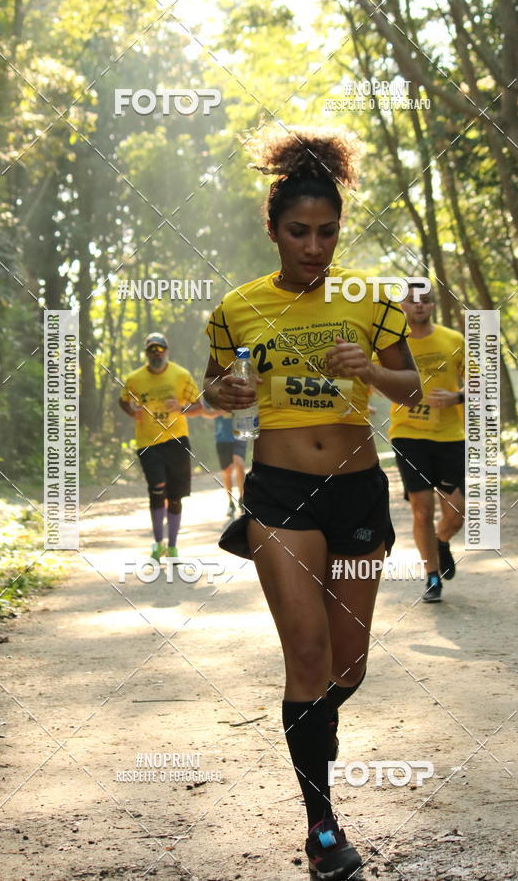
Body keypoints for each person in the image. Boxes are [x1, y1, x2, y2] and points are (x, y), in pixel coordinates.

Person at [202, 126, 422, 880]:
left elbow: (412, 386)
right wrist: (223, 392)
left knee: (347, 669)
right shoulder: (239, 307)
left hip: (358, 488)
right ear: (272, 229)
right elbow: (218, 388)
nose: (314, 246)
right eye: (299, 231)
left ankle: (317, 723)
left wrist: (373, 369)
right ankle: (322, 827)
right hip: (281, 493)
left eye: (328, 232)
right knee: (306, 658)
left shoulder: (370, 298)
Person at [389, 282, 465, 603]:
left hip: (451, 436)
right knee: (422, 509)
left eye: (425, 300)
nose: (419, 305)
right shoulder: (392, 345)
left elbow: (484, 384)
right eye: (412, 300)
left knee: (457, 512)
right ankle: (432, 577)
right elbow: (374, 382)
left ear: (432, 306)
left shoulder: (453, 340)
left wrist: (456, 396)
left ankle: (441, 540)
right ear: (402, 306)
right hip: (408, 435)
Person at [119, 333, 205, 559]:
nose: (156, 354)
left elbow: (199, 406)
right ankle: (158, 544)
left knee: (175, 496)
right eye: (152, 350)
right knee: (157, 489)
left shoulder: (181, 375)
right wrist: (132, 412)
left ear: (167, 351)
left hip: (176, 440)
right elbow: (123, 400)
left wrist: (180, 408)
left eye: (160, 350)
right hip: (149, 442)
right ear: (146, 353)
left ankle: (173, 546)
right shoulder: (135, 379)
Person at [214, 414, 247, 517]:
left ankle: (242, 499)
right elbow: (205, 411)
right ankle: (230, 503)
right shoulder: (213, 398)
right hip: (222, 439)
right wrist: (219, 410)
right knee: (227, 472)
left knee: (239, 463)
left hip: (239, 435)